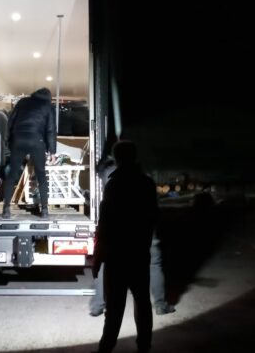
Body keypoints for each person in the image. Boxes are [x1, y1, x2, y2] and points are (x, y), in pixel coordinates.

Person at [91, 140, 158, 353]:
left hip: (117, 255)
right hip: (139, 253)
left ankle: (106, 348)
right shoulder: (146, 183)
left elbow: (105, 224)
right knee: (143, 303)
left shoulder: (114, 184)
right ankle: (144, 347)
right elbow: (153, 217)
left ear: (117, 159)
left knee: (114, 308)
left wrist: (98, 258)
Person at [90, 156, 175, 317]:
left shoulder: (108, 176)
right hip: (143, 228)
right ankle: (160, 305)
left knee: (105, 265)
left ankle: (98, 305)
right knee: (154, 265)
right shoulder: (144, 177)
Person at [2, 88, 56, 219]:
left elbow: (11, 121)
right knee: (41, 175)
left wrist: (8, 140)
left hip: (18, 139)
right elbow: (51, 129)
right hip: (36, 140)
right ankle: (44, 210)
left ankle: (6, 209)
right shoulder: (48, 106)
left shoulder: (23, 102)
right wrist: (52, 151)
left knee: (12, 174)